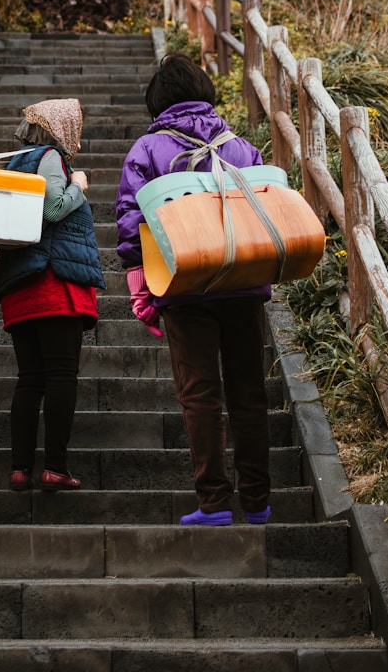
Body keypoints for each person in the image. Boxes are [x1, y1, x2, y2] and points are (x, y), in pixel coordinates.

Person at [116, 53, 271, 526]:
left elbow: (129, 228)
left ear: (157, 101)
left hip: (184, 286)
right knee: (249, 391)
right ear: (204, 90)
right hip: (243, 281)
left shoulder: (146, 151)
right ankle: (259, 502)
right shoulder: (242, 147)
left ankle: (214, 503)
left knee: (200, 394)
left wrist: (142, 267)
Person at [0, 98, 106, 491]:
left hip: (20, 285)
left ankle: (20, 468)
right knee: (60, 377)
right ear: (61, 129)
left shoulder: (17, 161)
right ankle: (55, 466)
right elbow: (53, 209)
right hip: (54, 284)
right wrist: (78, 185)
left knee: (29, 380)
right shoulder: (51, 157)